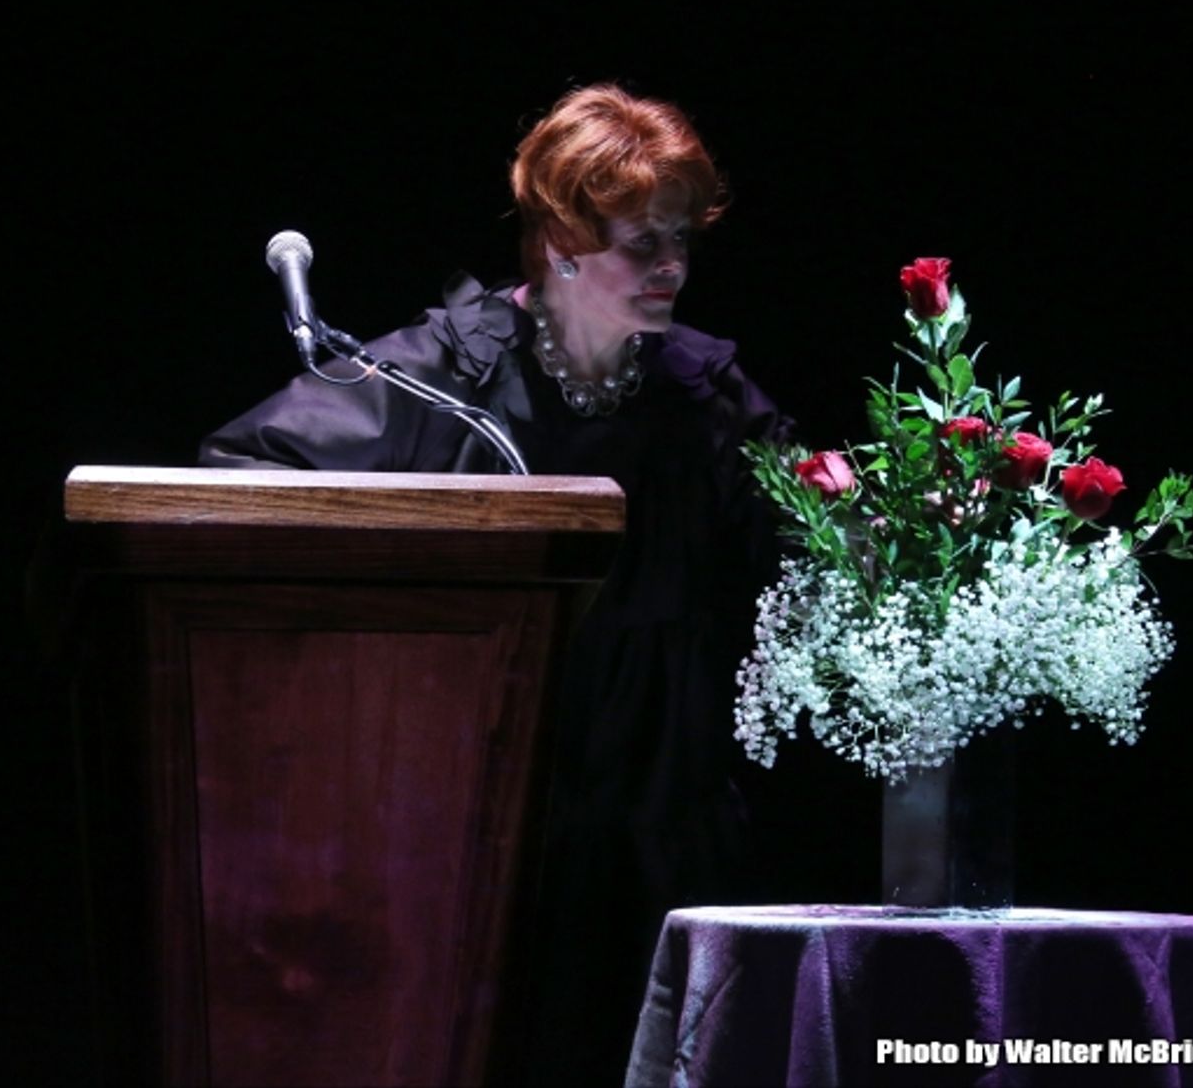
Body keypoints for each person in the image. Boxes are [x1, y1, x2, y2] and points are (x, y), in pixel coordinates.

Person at [200, 83, 791, 1083]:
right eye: (641, 241)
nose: (672, 265)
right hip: (474, 807)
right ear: (560, 240)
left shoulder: (702, 392)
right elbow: (247, 475)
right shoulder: (447, 373)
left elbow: (814, 533)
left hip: (657, 811)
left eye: (680, 236)